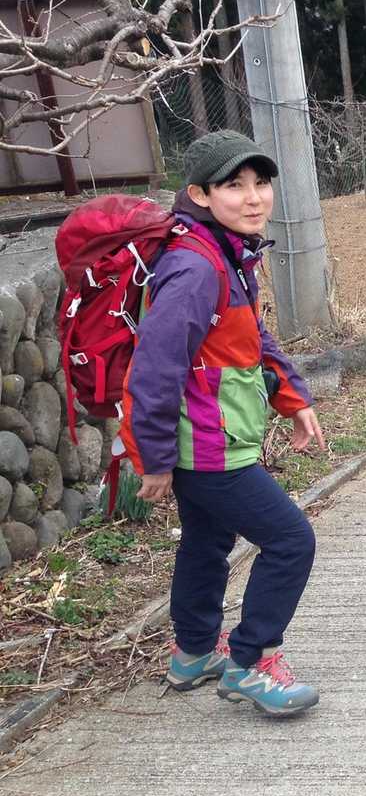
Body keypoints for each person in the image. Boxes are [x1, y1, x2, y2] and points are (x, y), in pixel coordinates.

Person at [123, 130, 326, 717]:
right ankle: (251, 662)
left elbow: (251, 339)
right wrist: (154, 458)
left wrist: (293, 397)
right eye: (234, 185)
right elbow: (154, 368)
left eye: (260, 182)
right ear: (200, 194)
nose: (253, 197)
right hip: (207, 448)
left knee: (208, 540)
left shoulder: (226, 253)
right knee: (290, 540)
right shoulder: (195, 268)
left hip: (214, 439)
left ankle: (193, 653)